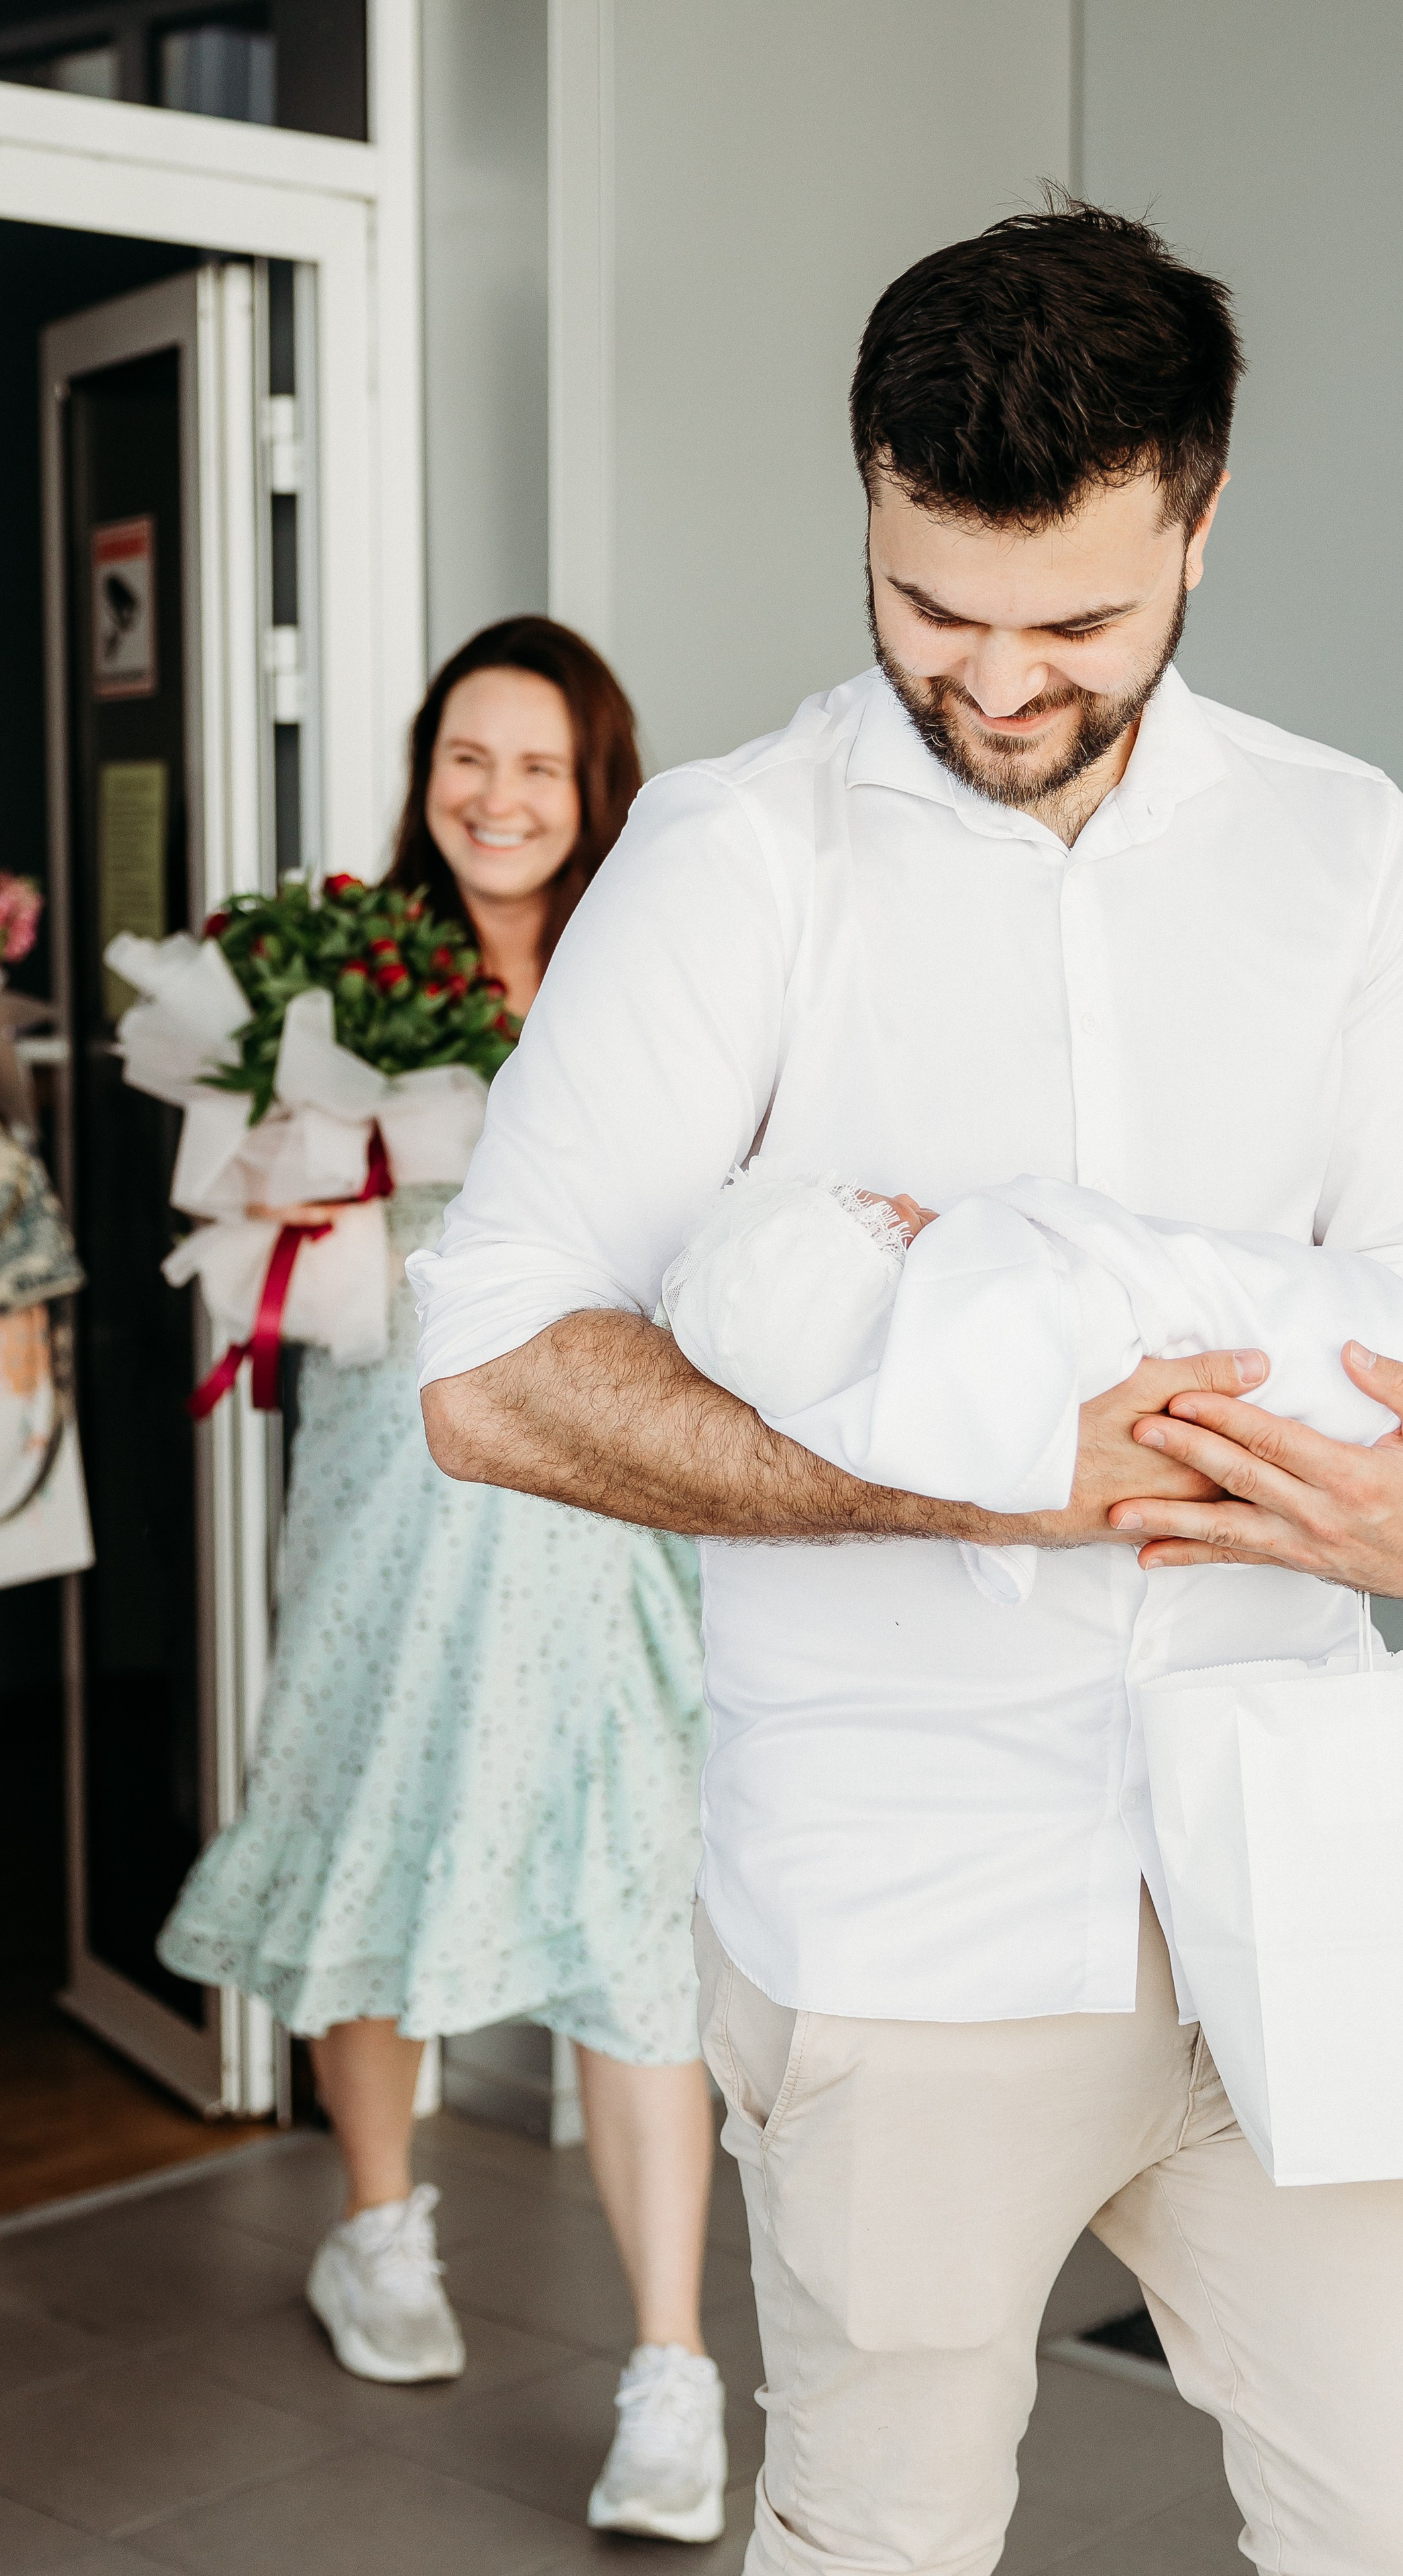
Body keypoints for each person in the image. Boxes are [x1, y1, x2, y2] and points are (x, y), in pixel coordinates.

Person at [411, 209, 1403, 2576]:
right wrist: (998, 1478)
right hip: (904, 1915)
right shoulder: (737, 859)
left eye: (1079, 624)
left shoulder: (1344, 851)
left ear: (1203, 524)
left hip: (1299, 1886)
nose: (1000, 680)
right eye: (933, 609)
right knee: (883, 2540)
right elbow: (494, 1371)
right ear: (868, 497)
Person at [158, 617, 728, 2545]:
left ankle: (672, 2377)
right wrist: (293, 1161)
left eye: (539, 767)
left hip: (605, 1502)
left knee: (635, 1899)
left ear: (597, 789)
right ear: (425, 777)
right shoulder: (336, 975)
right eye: (464, 760)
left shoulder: (657, 986)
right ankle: (379, 2233)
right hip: (394, 1481)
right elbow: (245, 1220)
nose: (496, 798)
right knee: (371, 1822)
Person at [658, 1161, 1403, 1608]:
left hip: (1275, 1707)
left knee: (1385, 1342)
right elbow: (1023, 1422)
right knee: (1343, 1347)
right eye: (872, 1227)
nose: (900, 1204)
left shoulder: (1362, 846)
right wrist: (1042, 1462)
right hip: (899, 1888)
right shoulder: (966, 1309)